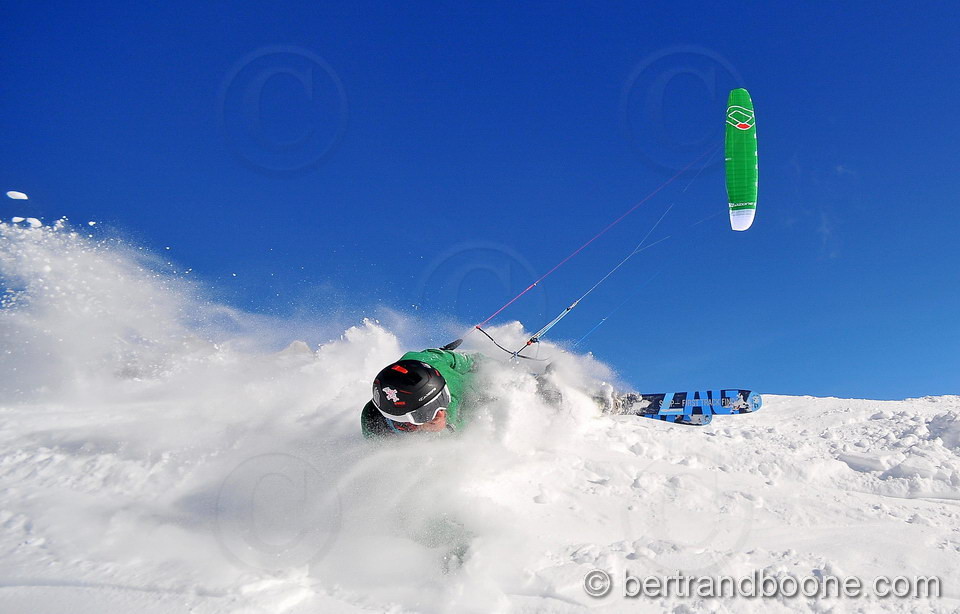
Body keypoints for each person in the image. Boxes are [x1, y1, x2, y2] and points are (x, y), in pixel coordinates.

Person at [361, 344, 478, 438]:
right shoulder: (373, 422)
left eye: (442, 398)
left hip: (435, 362)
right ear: (404, 420)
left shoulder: (457, 389)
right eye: (428, 411)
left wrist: (481, 363)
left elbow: (469, 362)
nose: (440, 414)